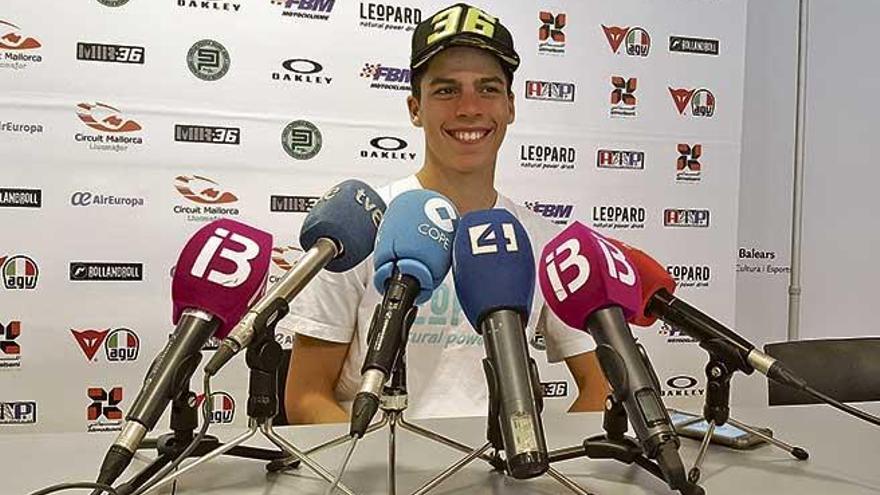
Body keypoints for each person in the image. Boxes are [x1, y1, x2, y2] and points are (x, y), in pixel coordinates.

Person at [280, 2, 608, 424]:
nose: (469, 107)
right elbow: (306, 397)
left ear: (510, 106)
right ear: (415, 108)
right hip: (378, 471)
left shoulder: (544, 239)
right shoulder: (360, 229)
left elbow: (602, 389)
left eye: (488, 89)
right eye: (446, 90)